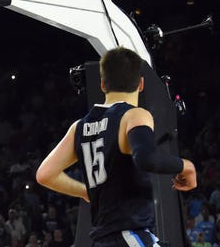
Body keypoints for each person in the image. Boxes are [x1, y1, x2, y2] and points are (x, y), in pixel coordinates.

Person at [35, 46, 197, 247]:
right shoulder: (134, 115)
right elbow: (147, 158)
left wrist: (84, 191)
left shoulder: (79, 127)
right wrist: (186, 166)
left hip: (103, 239)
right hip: (129, 234)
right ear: (141, 84)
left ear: (102, 84)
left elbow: (44, 174)